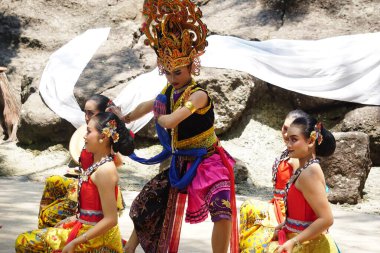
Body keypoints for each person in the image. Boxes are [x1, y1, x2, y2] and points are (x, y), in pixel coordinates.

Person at [108, 1, 238, 252]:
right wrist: (125, 117)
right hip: (181, 162)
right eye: (167, 72)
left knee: (222, 211)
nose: (171, 77)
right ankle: (129, 249)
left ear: (192, 66)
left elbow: (171, 119)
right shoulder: (169, 90)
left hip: (209, 162)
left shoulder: (199, 95)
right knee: (149, 202)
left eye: (177, 72)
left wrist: (161, 117)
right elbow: (150, 104)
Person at [15, 112, 134, 252]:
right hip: (86, 229)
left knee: (24, 241)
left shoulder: (105, 171)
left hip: (96, 240)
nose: (84, 136)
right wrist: (73, 219)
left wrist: (75, 242)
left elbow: (111, 219)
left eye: (89, 132)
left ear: (103, 136)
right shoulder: (98, 165)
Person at [38, 94, 125, 229]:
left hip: (95, 188)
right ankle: (48, 234)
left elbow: (117, 162)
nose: (86, 117)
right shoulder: (88, 134)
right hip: (83, 180)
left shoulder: (104, 138)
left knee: (48, 215)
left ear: (103, 115)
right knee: (52, 181)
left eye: (91, 113)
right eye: (85, 112)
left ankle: (53, 236)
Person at [266, 114, 339, 253]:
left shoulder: (310, 173)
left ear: (311, 140)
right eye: (288, 139)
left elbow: (327, 219)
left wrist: (293, 242)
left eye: (294, 140)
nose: (288, 145)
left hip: (309, 246)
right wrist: (284, 225)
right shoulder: (303, 169)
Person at [239, 110, 307, 252]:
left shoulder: (296, 158)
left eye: (291, 131)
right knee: (247, 207)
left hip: (286, 211)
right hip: (276, 204)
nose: (286, 134)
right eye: (285, 128)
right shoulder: (287, 152)